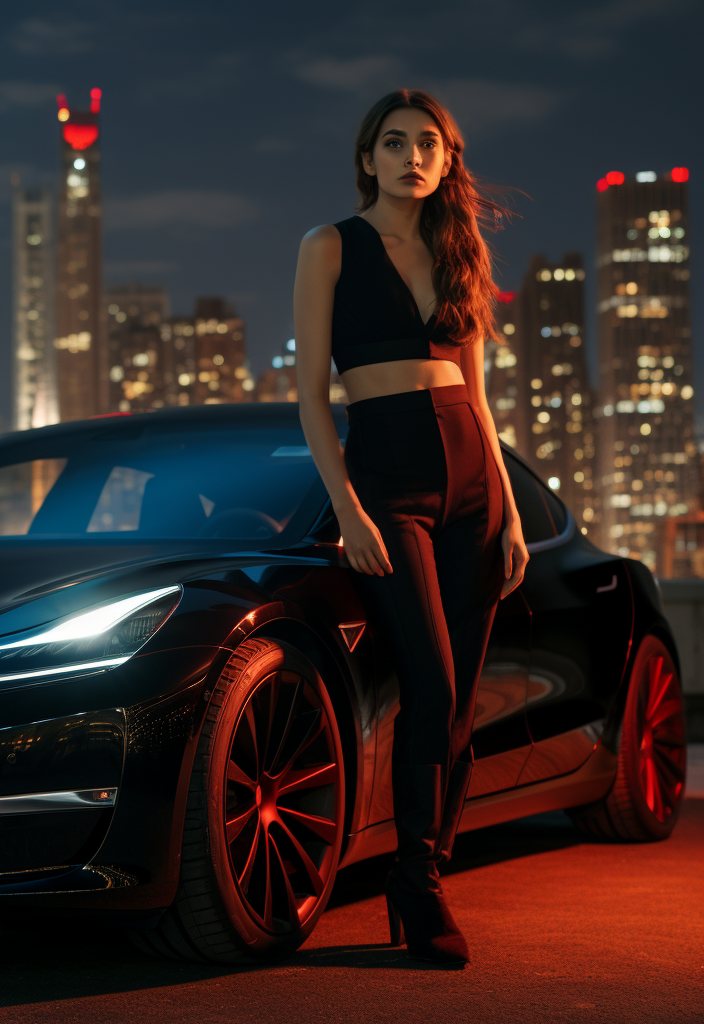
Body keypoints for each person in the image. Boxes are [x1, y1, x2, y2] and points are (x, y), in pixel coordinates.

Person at [294, 88, 529, 966]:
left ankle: (427, 872)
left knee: (459, 702)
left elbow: (477, 392)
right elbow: (313, 398)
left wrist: (502, 506)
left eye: (428, 144)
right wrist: (350, 508)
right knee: (428, 686)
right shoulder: (331, 247)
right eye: (394, 143)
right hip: (388, 483)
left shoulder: (457, 248)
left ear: (446, 159)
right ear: (367, 160)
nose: (412, 157)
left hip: (472, 477)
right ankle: (417, 886)